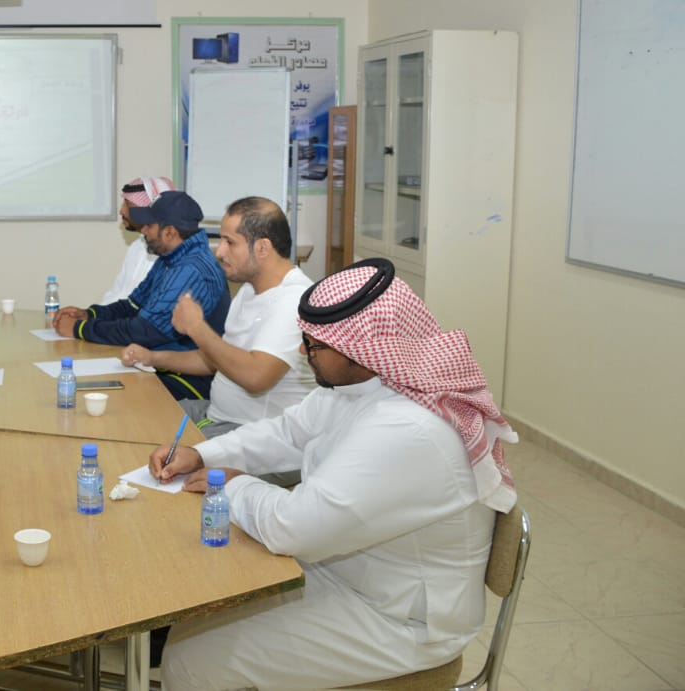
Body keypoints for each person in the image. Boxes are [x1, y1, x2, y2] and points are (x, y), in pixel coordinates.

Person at [150, 258, 518, 691]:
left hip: (399, 617)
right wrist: (203, 454)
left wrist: (234, 486)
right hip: (351, 569)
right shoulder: (367, 384)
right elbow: (288, 432)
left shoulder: (409, 429)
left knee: (195, 659)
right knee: (197, 611)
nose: (305, 355)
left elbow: (293, 527)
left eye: (315, 345)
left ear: (360, 347)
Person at [121, 196, 314, 439]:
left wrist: (197, 329)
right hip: (214, 415)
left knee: (145, 448)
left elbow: (256, 377)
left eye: (230, 242)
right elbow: (217, 359)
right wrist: (151, 357)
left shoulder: (294, 300)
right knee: (129, 416)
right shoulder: (249, 289)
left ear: (262, 248)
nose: (220, 251)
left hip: (254, 434)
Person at [53, 190, 228, 400]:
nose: (143, 230)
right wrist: (89, 315)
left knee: (112, 399)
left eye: (149, 225)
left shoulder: (192, 269)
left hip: (189, 380)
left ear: (170, 232)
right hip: (158, 365)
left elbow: (145, 331)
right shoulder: (170, 258)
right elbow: (132, 306)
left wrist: (78, 329)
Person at [99, 176, 176, 304]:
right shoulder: (137, 246)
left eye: (128, 205)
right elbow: (117, 293)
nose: (121, 210)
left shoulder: (165, 253)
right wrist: (91, 316)